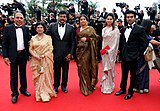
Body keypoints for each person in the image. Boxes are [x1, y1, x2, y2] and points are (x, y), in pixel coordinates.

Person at [115, 10, 148, 100]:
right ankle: (122, 89)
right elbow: (124, 42)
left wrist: (138, 54)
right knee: (124, 74)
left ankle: (130, 92)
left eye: (131, 17)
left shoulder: (139, 29)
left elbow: (144, 43)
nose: (129, 18)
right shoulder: (124, 28)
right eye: (128, 17)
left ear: (135, 18)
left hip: (134, 57)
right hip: (124, 56)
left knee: (133, 75)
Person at [2, 12, 31, 103]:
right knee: (14, 75)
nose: (19, 19)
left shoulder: (25, 29)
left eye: (21, 18)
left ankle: (23, 89)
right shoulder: (8, 29)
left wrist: (30, 54)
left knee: (23, 73)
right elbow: (4, 44)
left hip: (23, 54)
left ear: (23, 19)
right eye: (17, 17)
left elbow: (29, 42)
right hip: (12, 55)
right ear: (14, 18)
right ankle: (14, 93)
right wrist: (5, 56)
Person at [46, 11, 75, 94]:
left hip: (66, 53)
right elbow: (45, 36)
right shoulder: (52, 27)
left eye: (64, 16)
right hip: (55, 53)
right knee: (56, 70)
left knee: (65, 71)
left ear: (66, 18)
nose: (62, 18)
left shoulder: (71, 28)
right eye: (61, 16)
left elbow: (73, 42)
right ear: (58, 17)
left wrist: (71, 53)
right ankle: (56, 86)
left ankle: (64, 86)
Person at [29, 22, 57, 102]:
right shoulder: (33, 38)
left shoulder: (48, 38)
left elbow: (50, 48)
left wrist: (44, 55)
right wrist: (36, 56)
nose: (39, 29)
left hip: (46, 59)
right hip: (35, 60)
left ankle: (46, 93)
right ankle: (39, 93)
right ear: (36, 29)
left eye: (41, 27)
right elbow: (31, 49)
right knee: (37, 77)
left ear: (44, 29)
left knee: (46, 76)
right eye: (38, 27)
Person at [134, 19, 160, 93]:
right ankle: (140, 87)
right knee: (141, 70)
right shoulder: (143, 33)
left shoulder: (145, 32)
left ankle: (143, 87)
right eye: (151, 24)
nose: (153, 26)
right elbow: (151, 41)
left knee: (144, 70)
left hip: (144, 54)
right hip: (141, 54)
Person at [76, 14, 98, 96]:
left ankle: (89, 86)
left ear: (87, 20)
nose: (82, 21)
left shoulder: (91, 29)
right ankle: (84, 85)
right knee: (81, 68)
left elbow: (96, 38)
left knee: (88, 67)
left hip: (89, 51)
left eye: (84, 19)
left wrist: (88, 39)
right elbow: (76, 41)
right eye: (81, 19)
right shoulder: (78, 30)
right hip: (80, 51)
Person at [100, 13, 120, 94]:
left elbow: (116, 42)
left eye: (110, 19)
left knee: (110, 68)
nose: (109, 20)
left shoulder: (115, 30)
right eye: (107, 19)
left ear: (113, 20)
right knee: (104, 67)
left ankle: (110, 85)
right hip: (104, 51)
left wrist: (110, 50)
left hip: (110, 52)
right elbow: (103, 41)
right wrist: (103, 50)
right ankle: (104, 85)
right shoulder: (103, 29)